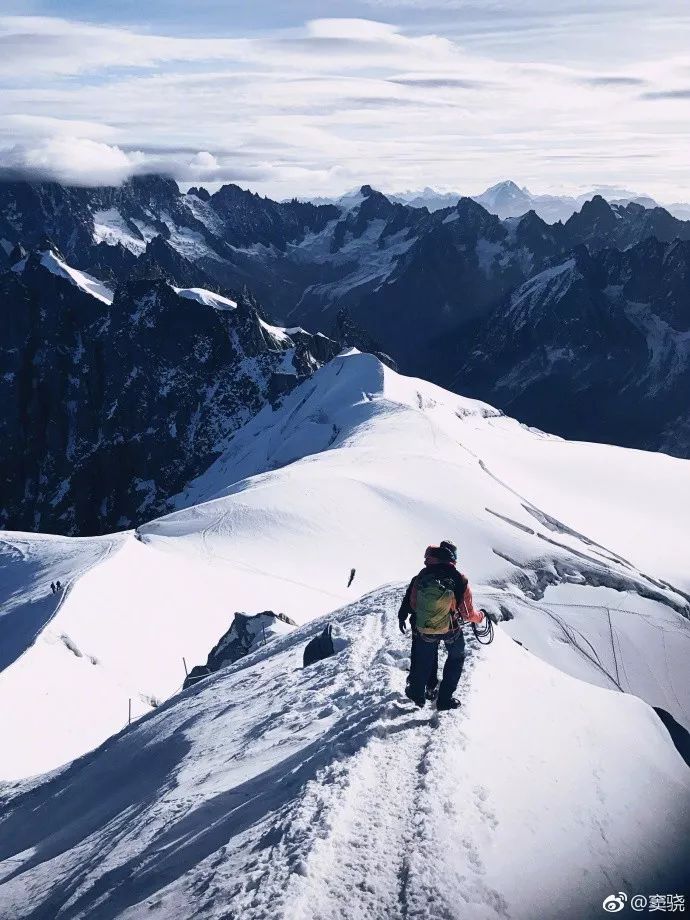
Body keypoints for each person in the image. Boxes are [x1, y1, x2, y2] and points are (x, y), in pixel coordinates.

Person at [398, 540, 483, 711]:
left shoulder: (422, 576)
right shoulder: (460, 579)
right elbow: (467, 613)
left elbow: (412, 603)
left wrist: (405, 616)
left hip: (425, 629)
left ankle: (417, 694)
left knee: (422, 660)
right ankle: (444, 699)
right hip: (451, 629)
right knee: (456, 658)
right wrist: (480, 618)